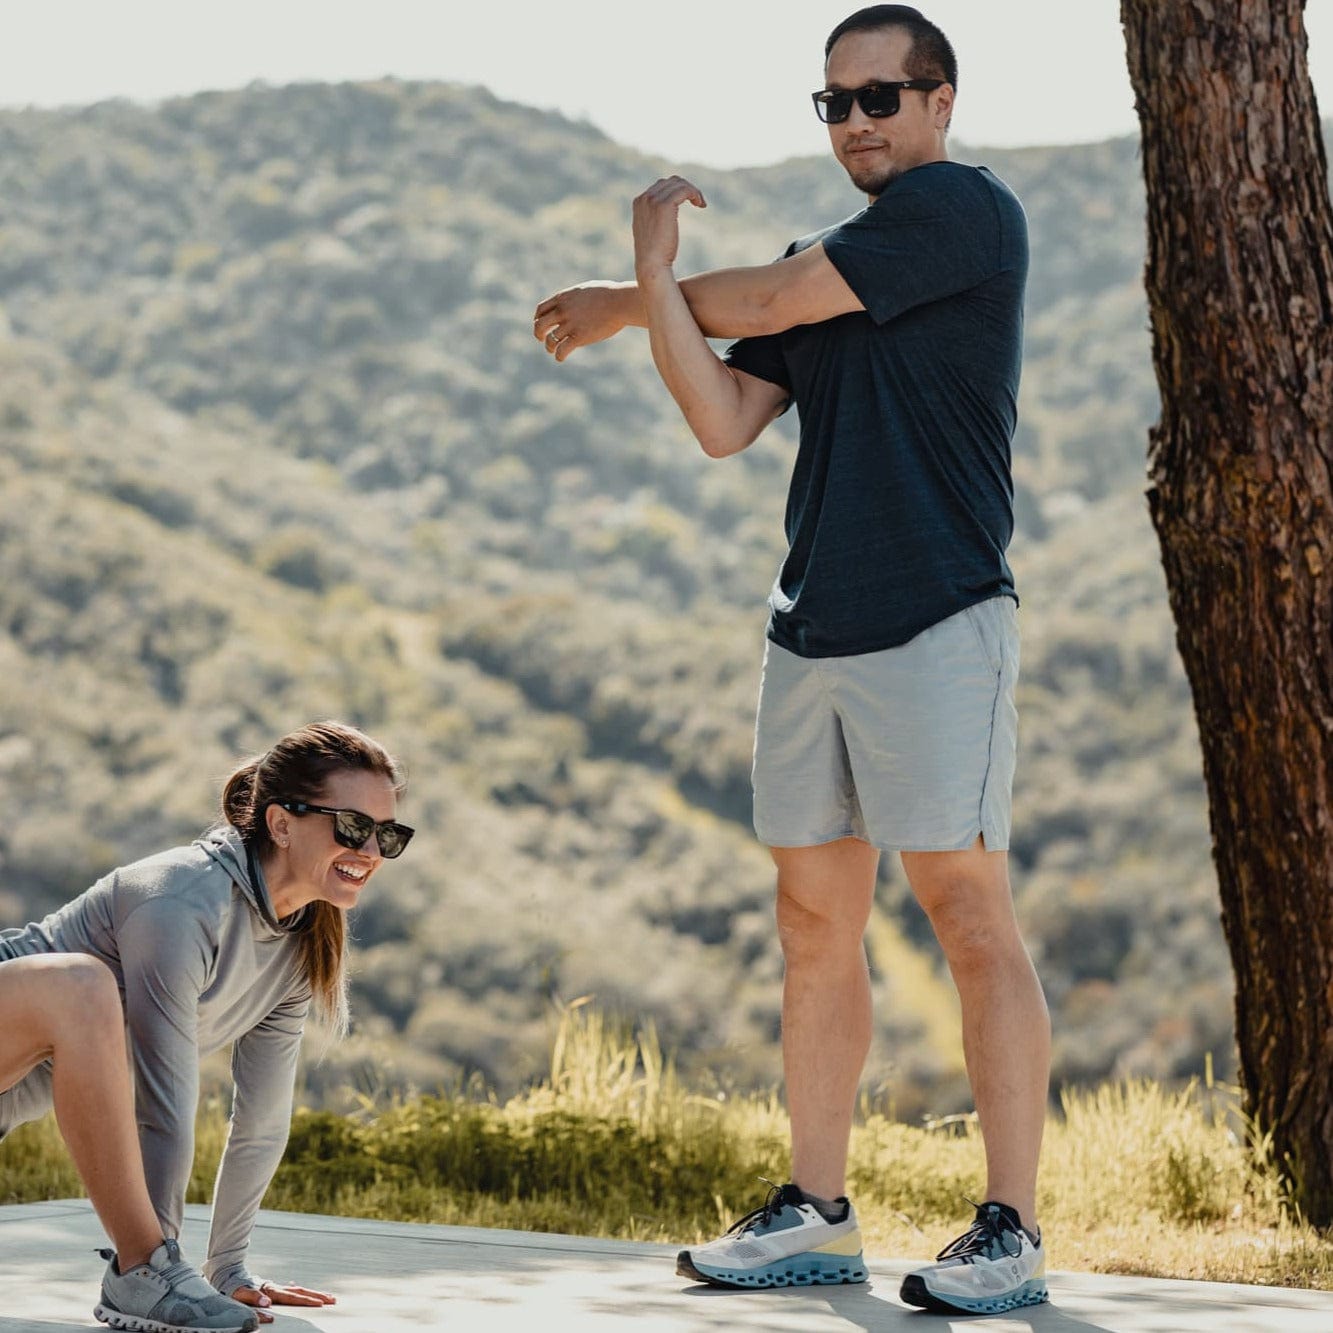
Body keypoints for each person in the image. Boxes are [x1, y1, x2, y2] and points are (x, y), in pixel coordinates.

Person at [533, 4, 1049, 1317]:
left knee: (966, 912)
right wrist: (655, 302)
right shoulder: (815, 262)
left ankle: (1010, 1230)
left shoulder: (962, 212)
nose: (859, 122)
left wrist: (620, 298)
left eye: (883, 95)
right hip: (808, 625)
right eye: (836, 103)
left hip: (936, 619)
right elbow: (721, 416)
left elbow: (760, 300)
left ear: (940, 100)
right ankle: (816, 1212)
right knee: (812, 923)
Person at [0, 719, 415, 1326]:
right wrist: (161, 1276)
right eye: (353, 827)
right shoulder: (180, 899)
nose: (371, 851)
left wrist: (227, 1270)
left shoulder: (302, 943)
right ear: (281, 822)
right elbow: (163, 1104)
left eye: (389, 834)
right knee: (81, 986)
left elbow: (262, 1120)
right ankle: (141, 1269)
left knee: (87, 993)